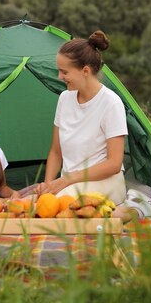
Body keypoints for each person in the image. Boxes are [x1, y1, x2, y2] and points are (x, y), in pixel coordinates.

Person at [37, 30, 128, 205]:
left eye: (64, 72)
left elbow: (114, 163)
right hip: (70, 184)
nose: (60, 77)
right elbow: (56, 151)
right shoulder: (65, 99)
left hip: (105, 183)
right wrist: (48, 185)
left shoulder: (111, 103)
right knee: (40, 203)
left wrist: (66, 180)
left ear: (85, 71)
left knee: (58, 206)